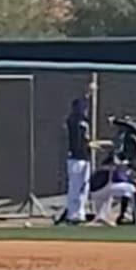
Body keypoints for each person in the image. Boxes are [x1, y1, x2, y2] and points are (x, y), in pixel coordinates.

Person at [57, 95, 91, 225]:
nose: (85, 109)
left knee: (84, 187)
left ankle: (80, 214)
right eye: (82, 107)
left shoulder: (84, 121)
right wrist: (88, 93)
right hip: (75, 157)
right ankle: (72, 214)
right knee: (75, 187)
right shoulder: (73, 119)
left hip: (85, 157)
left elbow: (86, 139)